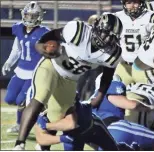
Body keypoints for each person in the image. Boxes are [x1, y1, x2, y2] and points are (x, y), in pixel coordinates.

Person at [13, 14, 123, 150]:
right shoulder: (79, 30)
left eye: (111, 37)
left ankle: (42, 146)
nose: (107, 39)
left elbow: (107, 77)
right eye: (106, 34)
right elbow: (51, 36)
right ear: (97, 28)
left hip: (70, 79)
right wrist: (41, 46)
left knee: (59, 117)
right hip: (52, 66)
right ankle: (20, 143)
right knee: (40, 97)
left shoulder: (113, 53)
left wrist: (99, 97)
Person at [90, 73, 154, 150]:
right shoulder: (111, 85)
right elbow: (130, 104)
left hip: (96, 137)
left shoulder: (90, 101)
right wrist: (148, 108)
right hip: (114, 128)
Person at [1, 1, 50, 133]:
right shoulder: (18, 28)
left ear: (39, 17)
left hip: (34, 73)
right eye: (28, 15)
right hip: (20, 71)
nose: (29, 18)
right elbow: (16, 50)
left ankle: (20, 124)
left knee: (21, 100)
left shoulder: (44, 32)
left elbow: (50, 53)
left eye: (33, 16)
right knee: (10, 99)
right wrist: (8, 62)